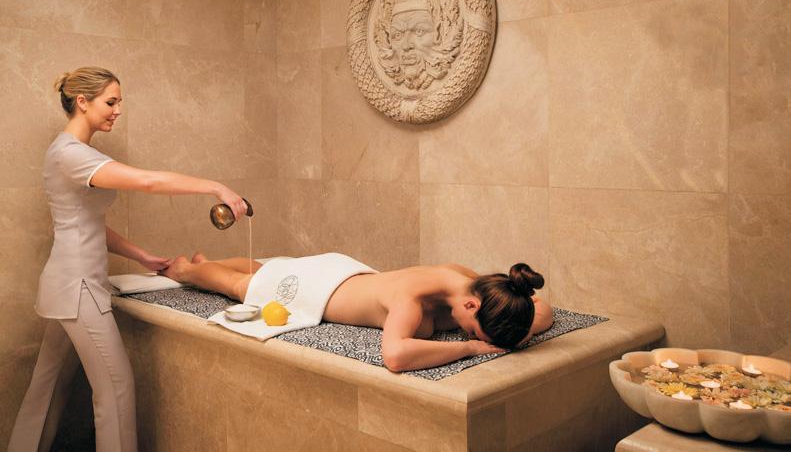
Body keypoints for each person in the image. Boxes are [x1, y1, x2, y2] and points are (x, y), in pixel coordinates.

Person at [8, 67, 249, 452]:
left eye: (119, 102)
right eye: (110, 102)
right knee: (116, 388)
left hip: (66, 283)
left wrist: (141, 256)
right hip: (78, 288)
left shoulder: (70, 152)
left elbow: (85, 224)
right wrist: (215, 186)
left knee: (47, 386)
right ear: (82, 102)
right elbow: (148, 181)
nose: (118, 110)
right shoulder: (72, 154)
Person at [159, 253, 554, 372]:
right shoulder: (410, 300)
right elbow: (395, 356)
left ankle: (209, 262)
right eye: (474, 330)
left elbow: (542, 311)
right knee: (240, 286)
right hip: (320, 289)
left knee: (266, 267)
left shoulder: (477, 285)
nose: (470, 335)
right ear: (471, 307)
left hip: (348, 272)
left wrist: (519, 334)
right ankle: (187, 268)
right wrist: (469, 349)